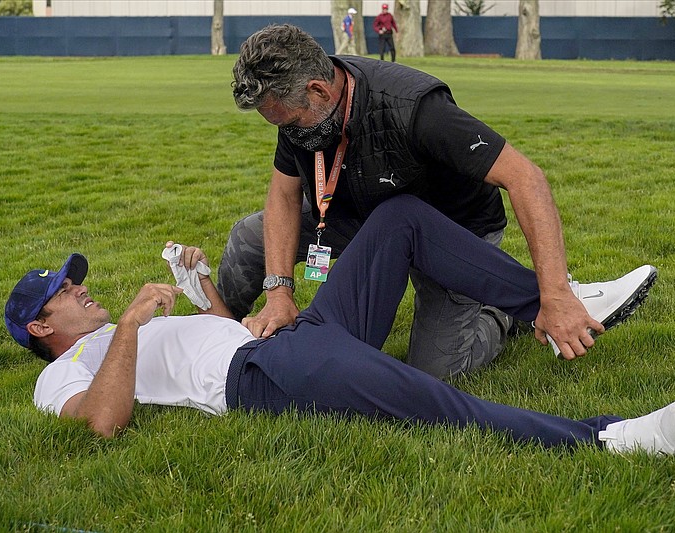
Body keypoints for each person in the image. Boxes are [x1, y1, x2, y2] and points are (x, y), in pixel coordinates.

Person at [4, 196, 675, 460]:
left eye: (77, 279)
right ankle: (609, 437)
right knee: (423, 397)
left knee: (402, 218)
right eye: (67, 291)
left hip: (279, 336)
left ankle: (554, 303)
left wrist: (202, 285)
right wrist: (127, 324)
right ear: (41, 325)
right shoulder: (58, 374)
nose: (83, 288)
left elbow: (217, 330)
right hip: (262, 377)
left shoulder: (117, 337)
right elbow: (102, 423)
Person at [221, 23, 624, 380]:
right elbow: (284, 196)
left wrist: (552, 295)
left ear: (319, 90)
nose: (288, 133)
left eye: (288, 123)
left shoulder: (414, 107)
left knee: (434, 368)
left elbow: (527, 178)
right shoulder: (298, 109)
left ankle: (499, 312)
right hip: (356, 212)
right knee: (250, 236)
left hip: (449, 230)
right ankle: (215, 333)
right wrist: (279, 292)